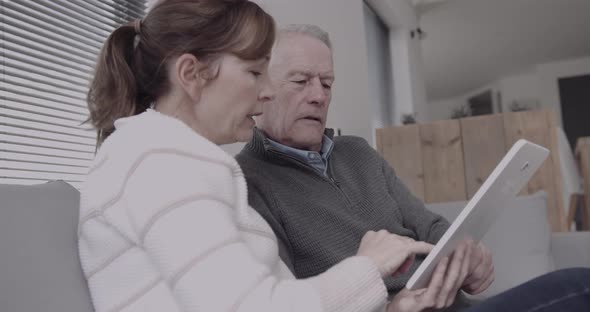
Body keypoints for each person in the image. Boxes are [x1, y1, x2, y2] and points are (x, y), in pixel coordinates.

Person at [78, 1, 454, 312]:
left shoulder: (162, 156)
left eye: (326, 83)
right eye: (255, 71)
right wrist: (368, 266)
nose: (267, 91)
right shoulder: (160, 163)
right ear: (191, 74)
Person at [235, 24, 590, 311]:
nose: (318, 95)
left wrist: (465, 254)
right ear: (263, 87)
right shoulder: (246, 182)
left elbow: (429, 225)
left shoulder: (357, 152)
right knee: (578, 286)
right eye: (301, 81)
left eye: (326, 83)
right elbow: (286, 300)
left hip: (456, 304)